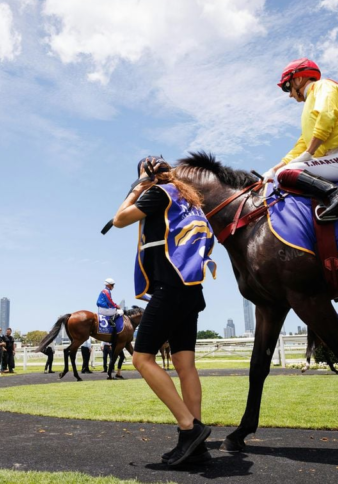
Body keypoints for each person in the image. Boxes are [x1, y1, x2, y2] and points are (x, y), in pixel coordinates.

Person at [111, 155, 216, 466]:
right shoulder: (188, 200)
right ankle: (196, 445)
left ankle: (189, 427)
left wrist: (135, 188)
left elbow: (119, 219)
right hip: (191, 290)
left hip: (169, 289)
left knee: (142, 358)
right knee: (186, 366)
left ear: (147, 174)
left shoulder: (158, 194)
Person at [263, 58, 338, 221]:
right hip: (335, 158)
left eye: (287, 87)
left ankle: (337, 194)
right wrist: (273, 170)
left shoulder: (323, 85)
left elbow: (326, 116)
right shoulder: (310, 105)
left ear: (298, 79)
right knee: (282, 172)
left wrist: (310, 152)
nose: (290, 94)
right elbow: (301, 146)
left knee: (287, 173)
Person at [97, 278, 122, 349]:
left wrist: (114, 305)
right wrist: (116, 306)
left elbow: (109, 302)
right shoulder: (106, 291)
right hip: (104, 308)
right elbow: (109, 301)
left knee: (116, 310)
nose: (113, 286)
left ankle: (111, 319)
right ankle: (111, 321)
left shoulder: (105, 291)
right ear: (108, 285)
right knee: (120, 312)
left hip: (103, 307)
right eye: (112, 285)